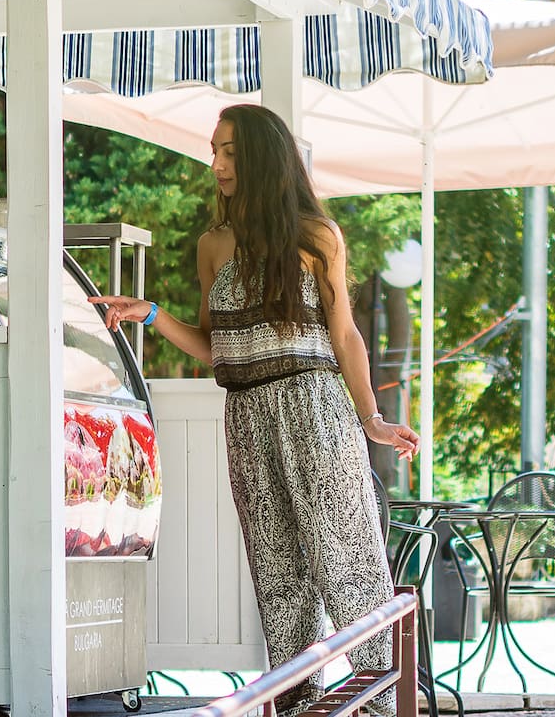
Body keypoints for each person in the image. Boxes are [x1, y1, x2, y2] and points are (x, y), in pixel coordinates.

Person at [91, 103, 420, 716]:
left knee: (345, 561)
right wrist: (154, 315)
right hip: (245, 415)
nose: (216, 163)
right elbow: (217, 342)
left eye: (231, 152)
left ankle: (383, 709)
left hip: (315, 407)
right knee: (277, 576)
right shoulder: (212, 244)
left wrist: (370, 417)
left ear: (264, 158)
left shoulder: (315, 236)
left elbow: (345, 335)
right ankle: (297, 708)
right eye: (214, 150)